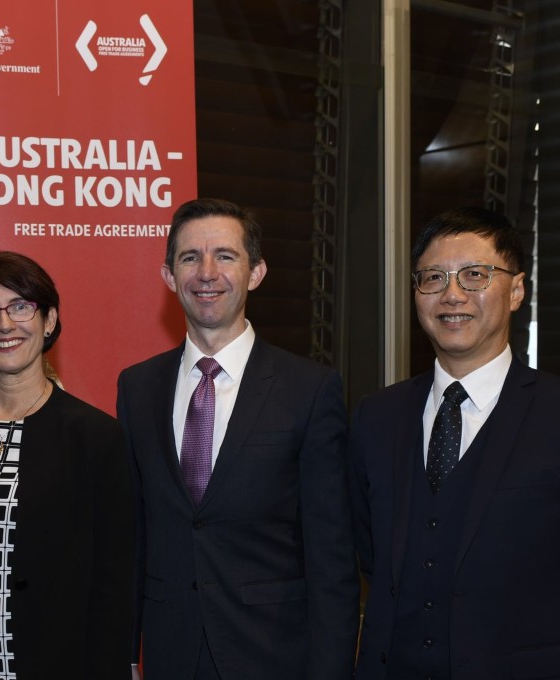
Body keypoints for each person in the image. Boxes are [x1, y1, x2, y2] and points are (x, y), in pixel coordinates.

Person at [116, 198, 358, 680]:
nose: (207, 272)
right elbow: (135, 534)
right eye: (190, 258)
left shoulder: (309, 390)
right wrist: (126, 651)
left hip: (273, 654)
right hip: (170, 653)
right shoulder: (137, 387)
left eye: (225, 256)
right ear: (168, 276)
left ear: (256, 272)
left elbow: (331, 555)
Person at [350, 206, 560, 679]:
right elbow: (368, 553)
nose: (452, 295)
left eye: (474, 275)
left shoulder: (553, 413)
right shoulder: (375, 417)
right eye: (433, 278)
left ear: (517, 290)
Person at [0, 251, 133, 680]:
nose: (4, 324)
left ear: (48, 320)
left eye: (20, 307)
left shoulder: (95, 436)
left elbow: (113, 583)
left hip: (48, 662)